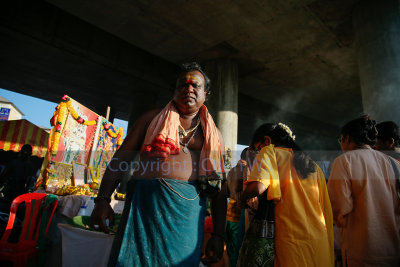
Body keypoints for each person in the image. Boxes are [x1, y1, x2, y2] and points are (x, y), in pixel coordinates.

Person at [90, 62, 227, 266]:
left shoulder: (213, 135)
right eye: (183, 85)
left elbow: (219, 189)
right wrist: (102, 200)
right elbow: (120, 160)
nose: (188, 89)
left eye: (195, 85)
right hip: (142, 214)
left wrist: (218, 234)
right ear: (174, 91)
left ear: (205, 93)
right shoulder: (150, 119)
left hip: (185, 223)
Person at [237, 123, 334, 267]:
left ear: (267, 141)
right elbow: (325, 206)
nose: (258, 152)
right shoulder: (313, 165)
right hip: (318, 242)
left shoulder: (269, 152)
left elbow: (258, 187)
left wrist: (242, 197)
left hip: (289, 243)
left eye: (258, 148)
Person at [327, 115, 400, 266]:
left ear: (347, 138)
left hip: (362, 249)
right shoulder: (393, 163)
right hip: (392, 249)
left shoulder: (344, 160)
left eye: (341, 139)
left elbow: (339, 206)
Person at [225, 148, 247, 267]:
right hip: (238, 218)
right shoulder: (246, 171)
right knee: (238, 255)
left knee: (230, 253)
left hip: (228, 216)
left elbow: (227, 193)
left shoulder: (232, 171)